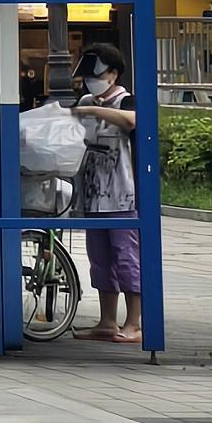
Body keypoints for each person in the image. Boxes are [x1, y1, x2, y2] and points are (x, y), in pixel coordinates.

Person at [69, 46, 142, 344]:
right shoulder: (85, 100)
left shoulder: (125, 100)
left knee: (127, 257)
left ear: (113, 73)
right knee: (99, 259)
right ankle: (107, 321)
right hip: (93, 194)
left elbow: (132, 120)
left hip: (123, 194)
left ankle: (134, 323)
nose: (91, 82)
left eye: (97, 76)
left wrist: (93, 111)